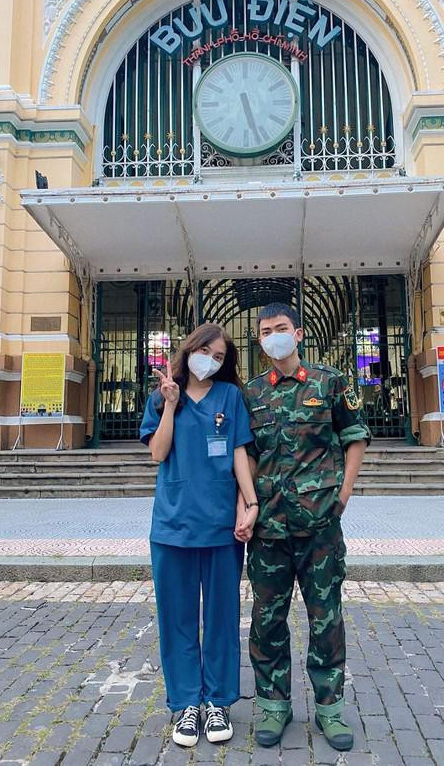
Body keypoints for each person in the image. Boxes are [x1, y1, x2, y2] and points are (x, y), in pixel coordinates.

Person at [241, 303, 371, 751]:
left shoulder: (329, 382)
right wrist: (248, 504)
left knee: (326, 618)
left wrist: (345, 494)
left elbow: (354, 437)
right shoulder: (251, 393)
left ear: (297, 334)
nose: (273, 336)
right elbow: (248, 454)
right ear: (259, 341)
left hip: (319, 528)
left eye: (281, 329)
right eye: (265, 331)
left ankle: (330, 709)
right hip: (269, 531)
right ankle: (275, 705)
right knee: (267, 619)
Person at [140, 323, 259, 749]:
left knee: (223, 619)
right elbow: (158, 452)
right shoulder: (161, 396)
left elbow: (240, 451)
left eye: (219, 355)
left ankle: (218, 702)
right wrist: (170, 405)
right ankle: (187, 704)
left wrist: (251, 502)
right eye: (204, 350)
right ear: (189, 349)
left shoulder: (230, 397)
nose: (210, 360)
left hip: (221, 529)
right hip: (172, 527)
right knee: (178, 620)